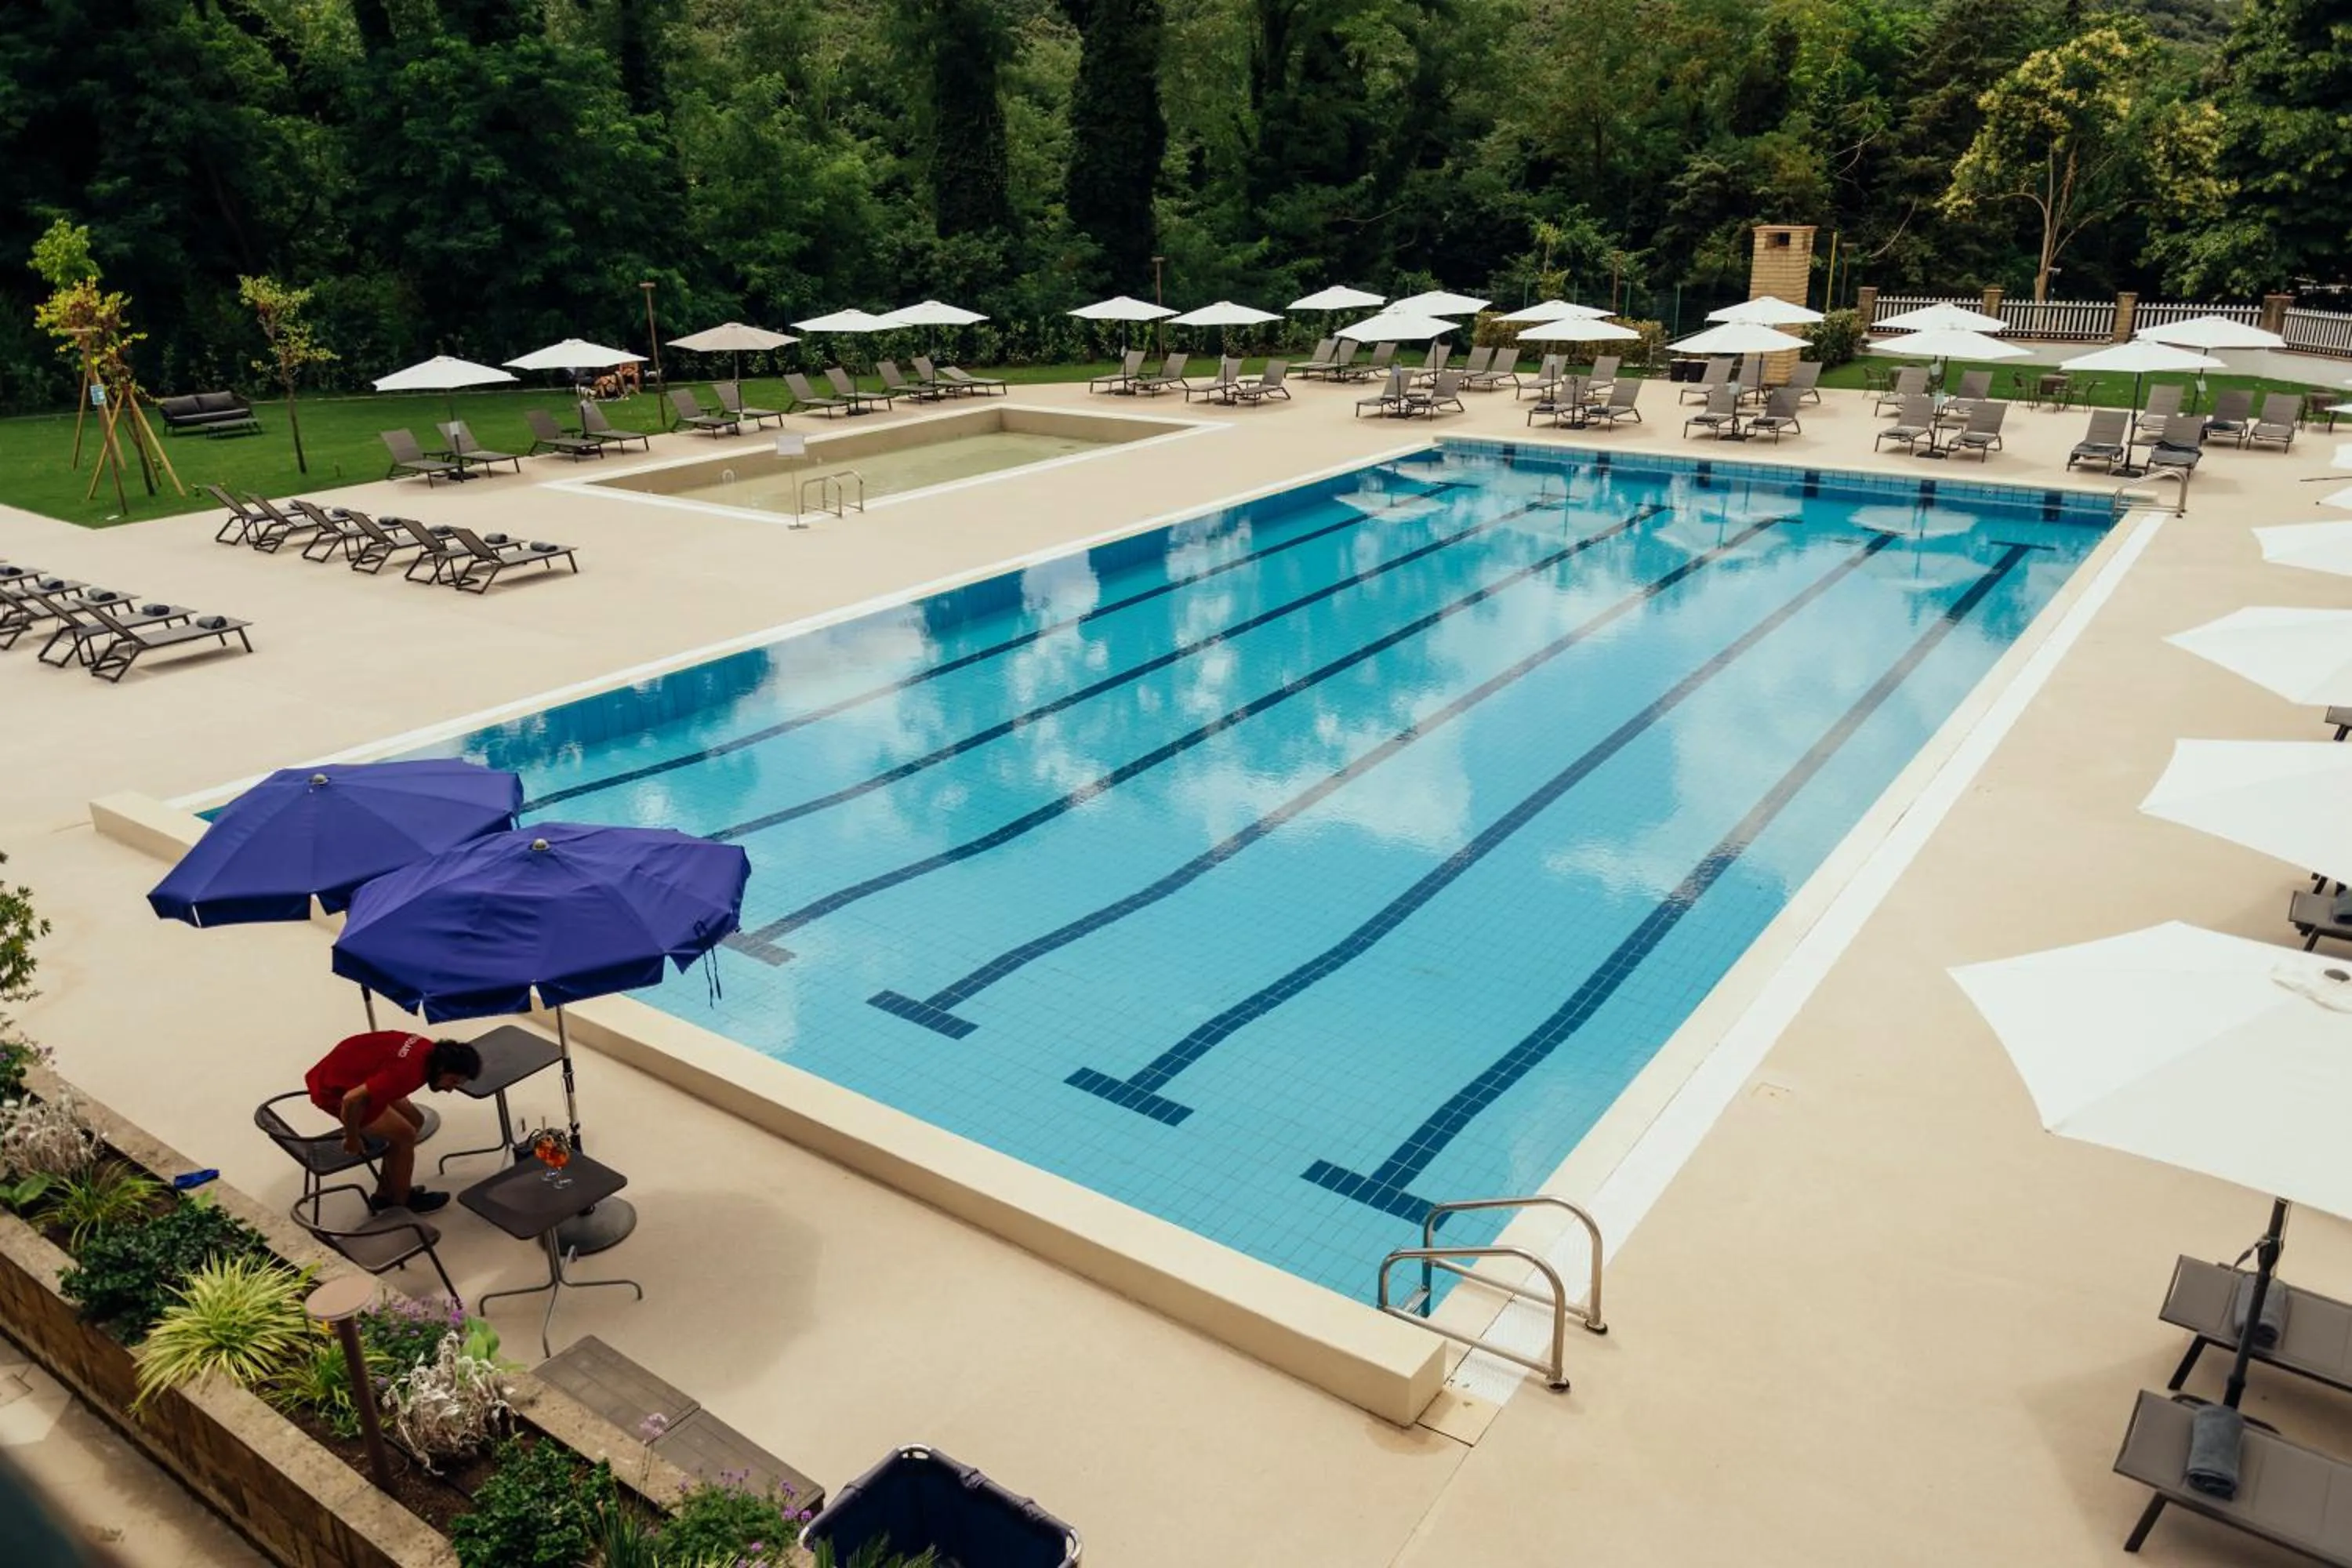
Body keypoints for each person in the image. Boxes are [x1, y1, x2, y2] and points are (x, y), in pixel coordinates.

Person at [304, 1031, 481, 1214]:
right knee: (405, 1136)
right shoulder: (408, 1072)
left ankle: (384, 1194)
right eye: (452, 1081)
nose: (450, 1090)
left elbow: (389, 1075)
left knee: (415, 1121)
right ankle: (402, 1202)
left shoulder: (426, 1050)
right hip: (335, 1092)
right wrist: (352, 1138)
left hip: (352, 1074)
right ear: (441, 1067)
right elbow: (351, 1100)